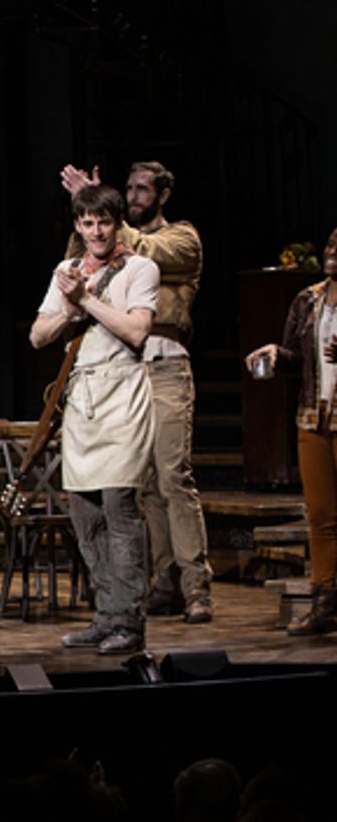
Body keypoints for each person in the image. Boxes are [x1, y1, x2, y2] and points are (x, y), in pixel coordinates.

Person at [62, 160, 211, 623]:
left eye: (142, 189)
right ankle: (162, 582)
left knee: (172, 477)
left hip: (164, 365)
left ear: (163, 194)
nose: (132, 197)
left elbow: (144, 250)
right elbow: (77, 264)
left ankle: (196, 586)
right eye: (126, 189)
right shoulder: (112, 236)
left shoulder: (182, 238)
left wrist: (105, 208)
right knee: (141, 484)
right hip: (120, 371)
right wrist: (90, 207)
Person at [30, 184, 159, 654]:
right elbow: (38, 335)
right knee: (84, 512)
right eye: (87, 223)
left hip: (123, 391)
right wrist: (68, 305)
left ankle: (130, 619)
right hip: (83, 394)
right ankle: (107, 612)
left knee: (119, 507)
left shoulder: (142, 268)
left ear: (117, 222)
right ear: (77, 227)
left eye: (104, 222)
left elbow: (137, 330)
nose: (96, 231)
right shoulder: (66, 271)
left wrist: (85, 300)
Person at [245, 227, 337, 636]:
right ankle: (325, 598)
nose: (334, 253)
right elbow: (297, 357)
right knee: (320, 515)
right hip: (313, 417)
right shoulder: (308, 299)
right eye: (332, 244)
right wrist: (274, 355)